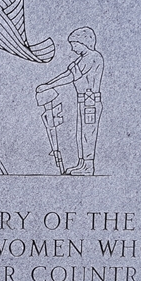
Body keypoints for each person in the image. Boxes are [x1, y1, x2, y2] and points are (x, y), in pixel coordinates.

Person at [35, 27, 103, 176]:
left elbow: (70, 77)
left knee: (87, 134)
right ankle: (82, 163)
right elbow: (68, 73)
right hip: (83, 102)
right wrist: (49, 83)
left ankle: (88, 166)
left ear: (83, 42)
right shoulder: (82, 58)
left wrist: (49, 85)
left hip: (89, 102)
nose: (72, 48)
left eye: (74, 44)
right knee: (81, 133)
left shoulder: (93, 57)